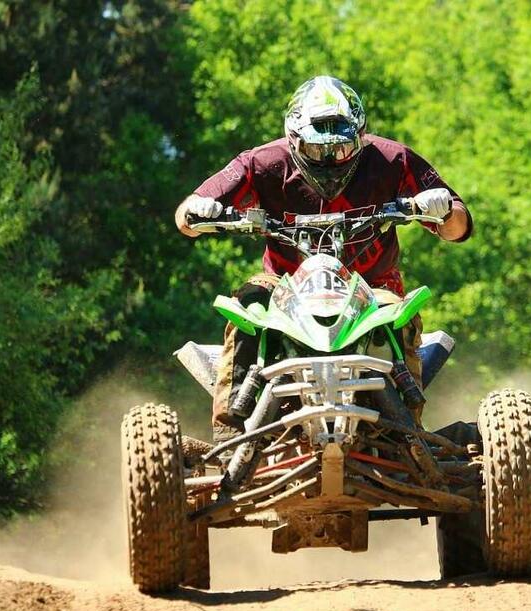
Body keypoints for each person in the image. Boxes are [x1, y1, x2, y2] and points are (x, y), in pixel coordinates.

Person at [175, 75, 472, 442]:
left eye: (342, 150)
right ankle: (229, 432)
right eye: (319, 152)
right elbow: (185, 217)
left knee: (400, 315)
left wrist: (442, 209)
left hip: (371, 288)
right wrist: (198, 210)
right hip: (284, 289)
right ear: (294, 139)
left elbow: (458, 227)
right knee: (247, 308)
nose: (330, 162)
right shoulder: (263, 163)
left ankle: (407, 432)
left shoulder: (392, 159)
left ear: (361, 137)